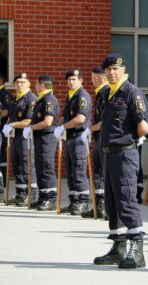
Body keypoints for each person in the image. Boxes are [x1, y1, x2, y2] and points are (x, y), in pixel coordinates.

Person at [93, 53, 148, 269]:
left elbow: (141, 124)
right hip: (108, 153)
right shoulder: (106, 92)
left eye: (116, 69)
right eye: (108, 70)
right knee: (112, 202)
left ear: (124, 70)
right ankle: (118, 248)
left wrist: (139, 137)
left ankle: (137, 251)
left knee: (126, 199)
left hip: (125, 153)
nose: (112, 72)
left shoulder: (132, 93)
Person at [54, 68, 92, 216]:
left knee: (78, 170)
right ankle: (74, 202)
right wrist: (59, 125)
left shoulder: (82, 96)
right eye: (69, 79)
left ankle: (82, 202)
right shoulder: (70, 96)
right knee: (70, 172)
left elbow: (80, 118)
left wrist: (63, 126)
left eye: (74, 79)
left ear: (81, 80)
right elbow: (65, 115)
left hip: (79, 137)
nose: (71, 82)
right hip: (69, 137)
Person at [24, 75, 59, 211]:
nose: (35, 87)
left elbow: (47, 122)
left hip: (47, 138)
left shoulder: (48, 99)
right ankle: (43, 197)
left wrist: (30, 127)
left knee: (46, 168)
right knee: (40, 167)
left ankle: (50, 199)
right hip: (40, 138)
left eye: (37, 85)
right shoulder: (41, 99)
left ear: (42, 85)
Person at [3, 73, 37, 207]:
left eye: (23, 82)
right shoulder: (15, 99)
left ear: (29, 84)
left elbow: (29, 120)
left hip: (26, 138)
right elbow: (11, 117)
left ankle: (31, 195)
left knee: (27, 166)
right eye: (17, 82)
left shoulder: (31, 99)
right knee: (17, 166)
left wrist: (12, 125)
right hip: (15, 137)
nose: (20, 84)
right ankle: (20, 194)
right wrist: (9, 124)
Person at [82, 67, 108, 219]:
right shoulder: (100, 93)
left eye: (93, 77)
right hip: (99, 138)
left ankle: (104, 207)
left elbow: (105, 120)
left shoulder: (105, 93)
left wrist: (90, 129)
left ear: (99, 78)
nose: (92, 80)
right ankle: (99, 207)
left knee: (103, 174)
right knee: (98, 174)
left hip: (104, 138)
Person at [0, 72, 12, 186]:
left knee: (1, 156)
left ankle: (3, 181)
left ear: (1, 80)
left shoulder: (5, 94)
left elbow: (5, 112)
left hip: (1, 128)